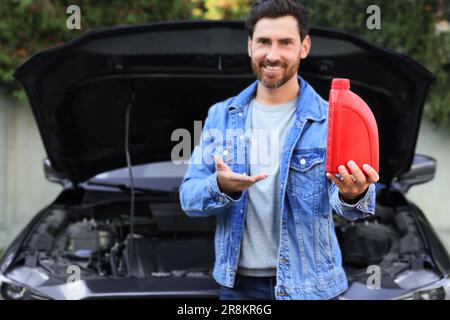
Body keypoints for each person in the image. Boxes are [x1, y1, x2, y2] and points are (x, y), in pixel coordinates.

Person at [179, 0, 379, 300]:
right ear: (249, 46)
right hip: (239, 290)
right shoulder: (221, 116)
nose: (272, 55)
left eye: (285, 42)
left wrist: (354, 194)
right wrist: (220, 186)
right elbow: (189, 198)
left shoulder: (330, 120)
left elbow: (351, 207)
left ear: (304, 46)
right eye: (263, 42)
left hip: (311, 288)